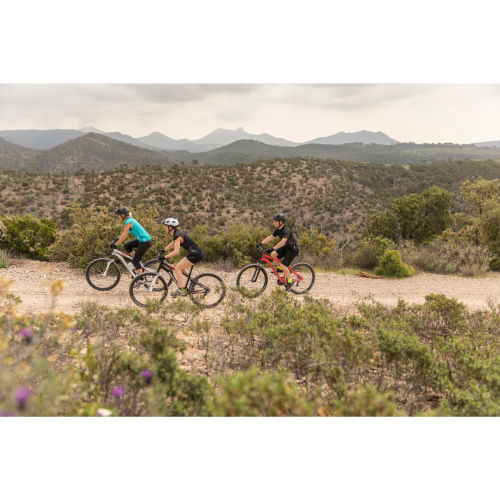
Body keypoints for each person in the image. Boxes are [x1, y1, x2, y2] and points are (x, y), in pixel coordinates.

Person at [161, 217, 203, 297]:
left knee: (177, 268)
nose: (164, 227)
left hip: (196, 254)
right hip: (195, 253)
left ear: (170, 227)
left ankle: (180, 289)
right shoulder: (176, 233)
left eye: (166, 226)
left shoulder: (178, 235)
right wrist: (164, 250)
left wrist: (165, 257)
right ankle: (193, 282)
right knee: (180, 266)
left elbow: (176, 252)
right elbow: (172, 244)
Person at [259, 213, 299, 290]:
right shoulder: (278, 230)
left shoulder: (286, 230)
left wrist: (272, 248)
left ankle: (290, 282)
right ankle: (280, 268)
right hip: (287, 247)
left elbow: (283, 242)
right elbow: (271, 237)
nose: (274, 222)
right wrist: (260, 243)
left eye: (276, 221)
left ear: (281, 222)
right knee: (273, 254)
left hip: (293, 249)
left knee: (284, 265)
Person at [111, 207, 152, 277]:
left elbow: (124, 236)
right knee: (126, 246)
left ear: (123, 215)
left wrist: (115, 244)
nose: (118, 217)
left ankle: (141, 278)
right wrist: (117, 240)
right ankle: (137, 262)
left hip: (145, 242)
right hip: (142, 240)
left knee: (135, 261)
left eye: (118, 215)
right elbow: (123, 234)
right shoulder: (130, 220)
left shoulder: (128, 222)